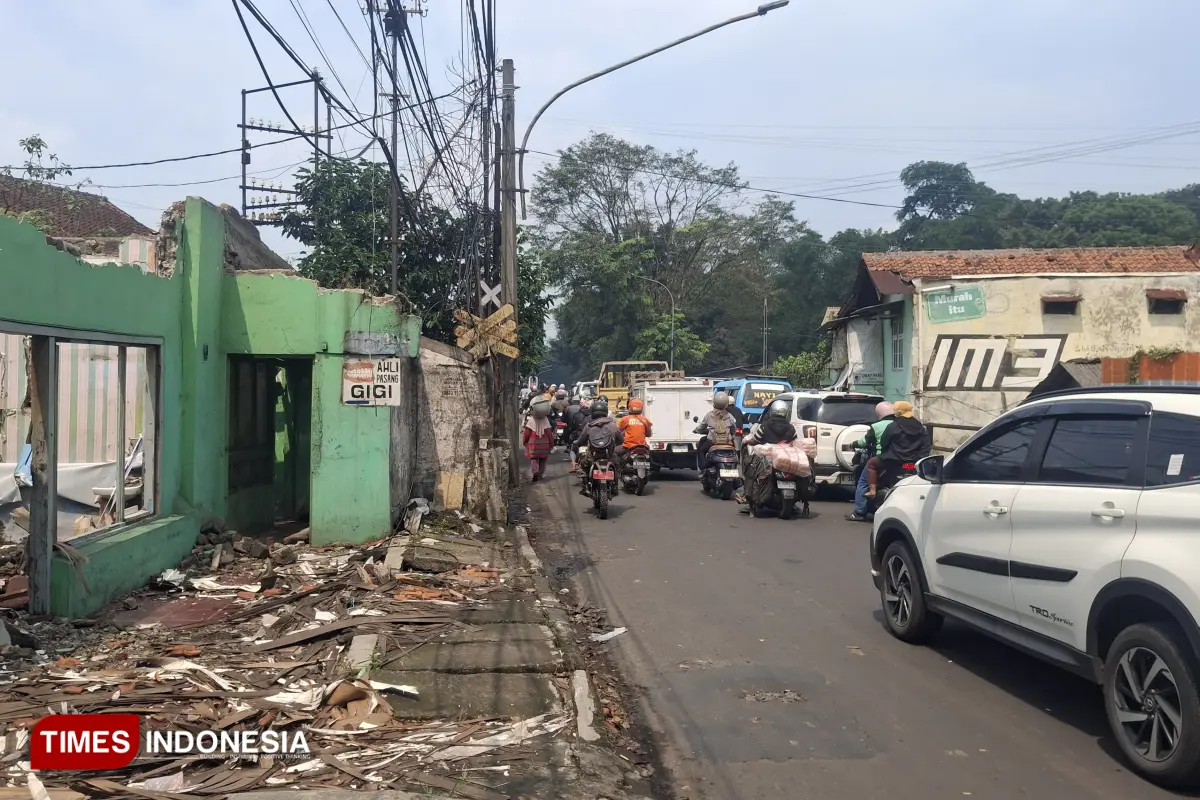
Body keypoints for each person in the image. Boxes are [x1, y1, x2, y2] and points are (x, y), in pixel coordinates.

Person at [847, 401, 895, 523]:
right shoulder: (899, 424)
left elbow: (864, 442)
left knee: (863, 482)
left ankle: (859, 512)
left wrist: (853, 444)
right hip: (901, 460)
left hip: (882, 459)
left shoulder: (877, 426)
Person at [574, 398, 624, 494]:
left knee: (583, 466)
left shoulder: (589, 425)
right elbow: (621, 439)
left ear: (593, 413)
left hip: (593, 456)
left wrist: (576, 443)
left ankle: (585, 487)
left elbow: (581, 439)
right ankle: (615, 486)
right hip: (609, 456)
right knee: (617, 466)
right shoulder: (612, 425)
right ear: (605, 412)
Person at [879, 400, 929, 472]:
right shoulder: (920, 426)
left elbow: (883, 442)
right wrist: (919, 459)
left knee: (872, 465)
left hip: (895, 463)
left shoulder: (892, 426)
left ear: (898, 412)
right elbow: (926, 445)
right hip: (914, 464)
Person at [696, 391, 738, 473]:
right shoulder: (730, 416)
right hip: (727, 443)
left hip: (712, 442)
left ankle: (704, 469)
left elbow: (701, 427)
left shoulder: (709, 415)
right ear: (726, 403)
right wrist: (731, 435)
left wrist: (697, 430)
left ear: (714, 402)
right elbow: (733, 429)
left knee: (701, 450)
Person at [523, 398, 555, 482]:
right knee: (542, 460)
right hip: (544, 445)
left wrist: (525, 442)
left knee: (533, 459)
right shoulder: (546, 420)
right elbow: (549, 434)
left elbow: (527, 433)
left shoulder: (531, 420)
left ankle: (535, 472)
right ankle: (540, 475)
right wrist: (551, 444)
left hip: (533, 445)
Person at [616, 397, 653, 470]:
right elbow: (648, 434)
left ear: (630, 407)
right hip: (642, 446)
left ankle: (618, 470)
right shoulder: (645, 420)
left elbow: (618, 431)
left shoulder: (625, 419)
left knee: (614, 452)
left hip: (628, 446)